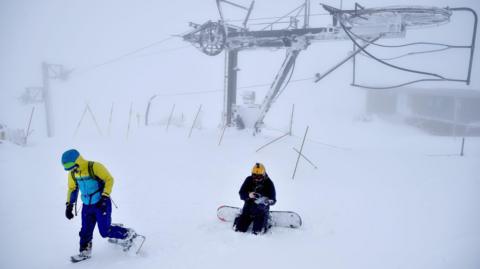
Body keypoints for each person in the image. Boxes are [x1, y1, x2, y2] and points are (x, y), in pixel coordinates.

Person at [62, 149, 137, 261]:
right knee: (85, 230)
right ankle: (85, 251)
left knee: (105, 231)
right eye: (68, 168)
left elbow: (109, 179)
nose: (71, 170)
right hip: (87, 205)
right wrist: (69, 205)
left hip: (101, 203)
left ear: (78, 161)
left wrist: (105, 196)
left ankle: (128, 234)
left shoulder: (94, 167)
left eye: (72, 166)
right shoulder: (73, 173)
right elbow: (72, 188)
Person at [234, 163, 276, 234]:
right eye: (254, 176)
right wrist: (248, 195)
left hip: (261, 210)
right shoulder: (248, 180)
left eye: (259, 177)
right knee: (239, 230)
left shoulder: (269, 183)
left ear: (263, 174)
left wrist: (267, 201)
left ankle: (267, 220)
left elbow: (273, 200)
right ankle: (239, 218)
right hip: (248, 209)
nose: (256, 179)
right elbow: (241, 193)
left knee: (257, 232)